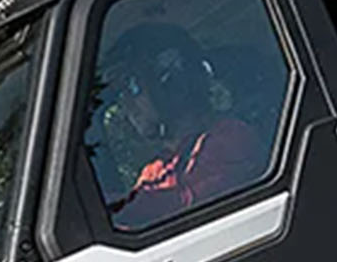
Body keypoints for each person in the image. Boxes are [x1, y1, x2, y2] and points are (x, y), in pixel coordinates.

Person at [95, 23, 268, 229]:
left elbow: (193, 208)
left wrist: (108, 206)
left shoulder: (231, 136)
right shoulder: (155, 171)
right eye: (119, 94)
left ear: (171, 83)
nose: (125, 105)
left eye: (132, 86)